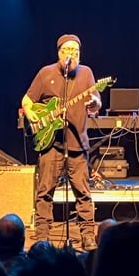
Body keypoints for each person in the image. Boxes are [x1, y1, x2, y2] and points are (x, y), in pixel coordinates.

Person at [21, 34, 100, 251]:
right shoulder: (46, 74)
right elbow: (27, 100)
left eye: (76, 51)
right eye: (68, 50)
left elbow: (95, 104)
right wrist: (32, 115)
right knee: (45, 191)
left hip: (78, 143)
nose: (72, 54)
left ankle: (87, 235)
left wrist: (94, 103)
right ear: (59, 53)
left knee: (83, 192)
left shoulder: (86, 73)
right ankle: (43, 237)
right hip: (51, 145)